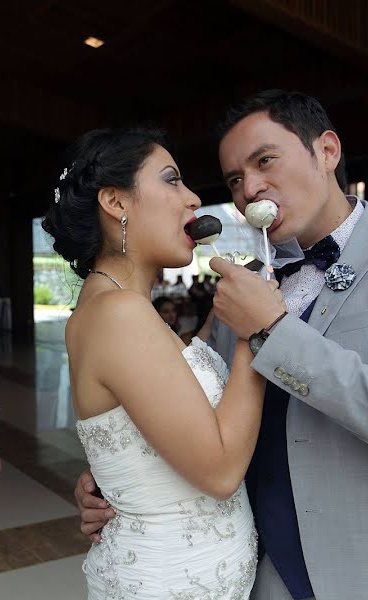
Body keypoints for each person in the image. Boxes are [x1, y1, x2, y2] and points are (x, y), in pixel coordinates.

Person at [74, 91, 368, 599]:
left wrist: (273, 329)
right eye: (234, 179)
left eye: (265, 160)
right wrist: (122, 481)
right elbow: (183, 412)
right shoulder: (243, 288)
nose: (250, 189)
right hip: (266, 578)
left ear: (327, 151)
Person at [44, 128, 277, 597]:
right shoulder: (120, 313)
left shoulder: (120, 307)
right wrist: (258, 335)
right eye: (171, 180)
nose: (193, 198)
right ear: (116, 202)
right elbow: (219, 471)